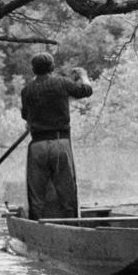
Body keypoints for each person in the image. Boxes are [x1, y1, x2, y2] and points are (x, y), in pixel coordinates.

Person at [19, 52, 93, 219]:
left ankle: (36, 229)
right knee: (67, 192)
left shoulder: (26, 91)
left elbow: (25, 116)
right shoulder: (61, 83)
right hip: (60, 142)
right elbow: (86, 90)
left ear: (33, 70)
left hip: (37, 145)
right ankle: (72, 227)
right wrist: (83, 75)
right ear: (52, 68)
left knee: (36, 196)